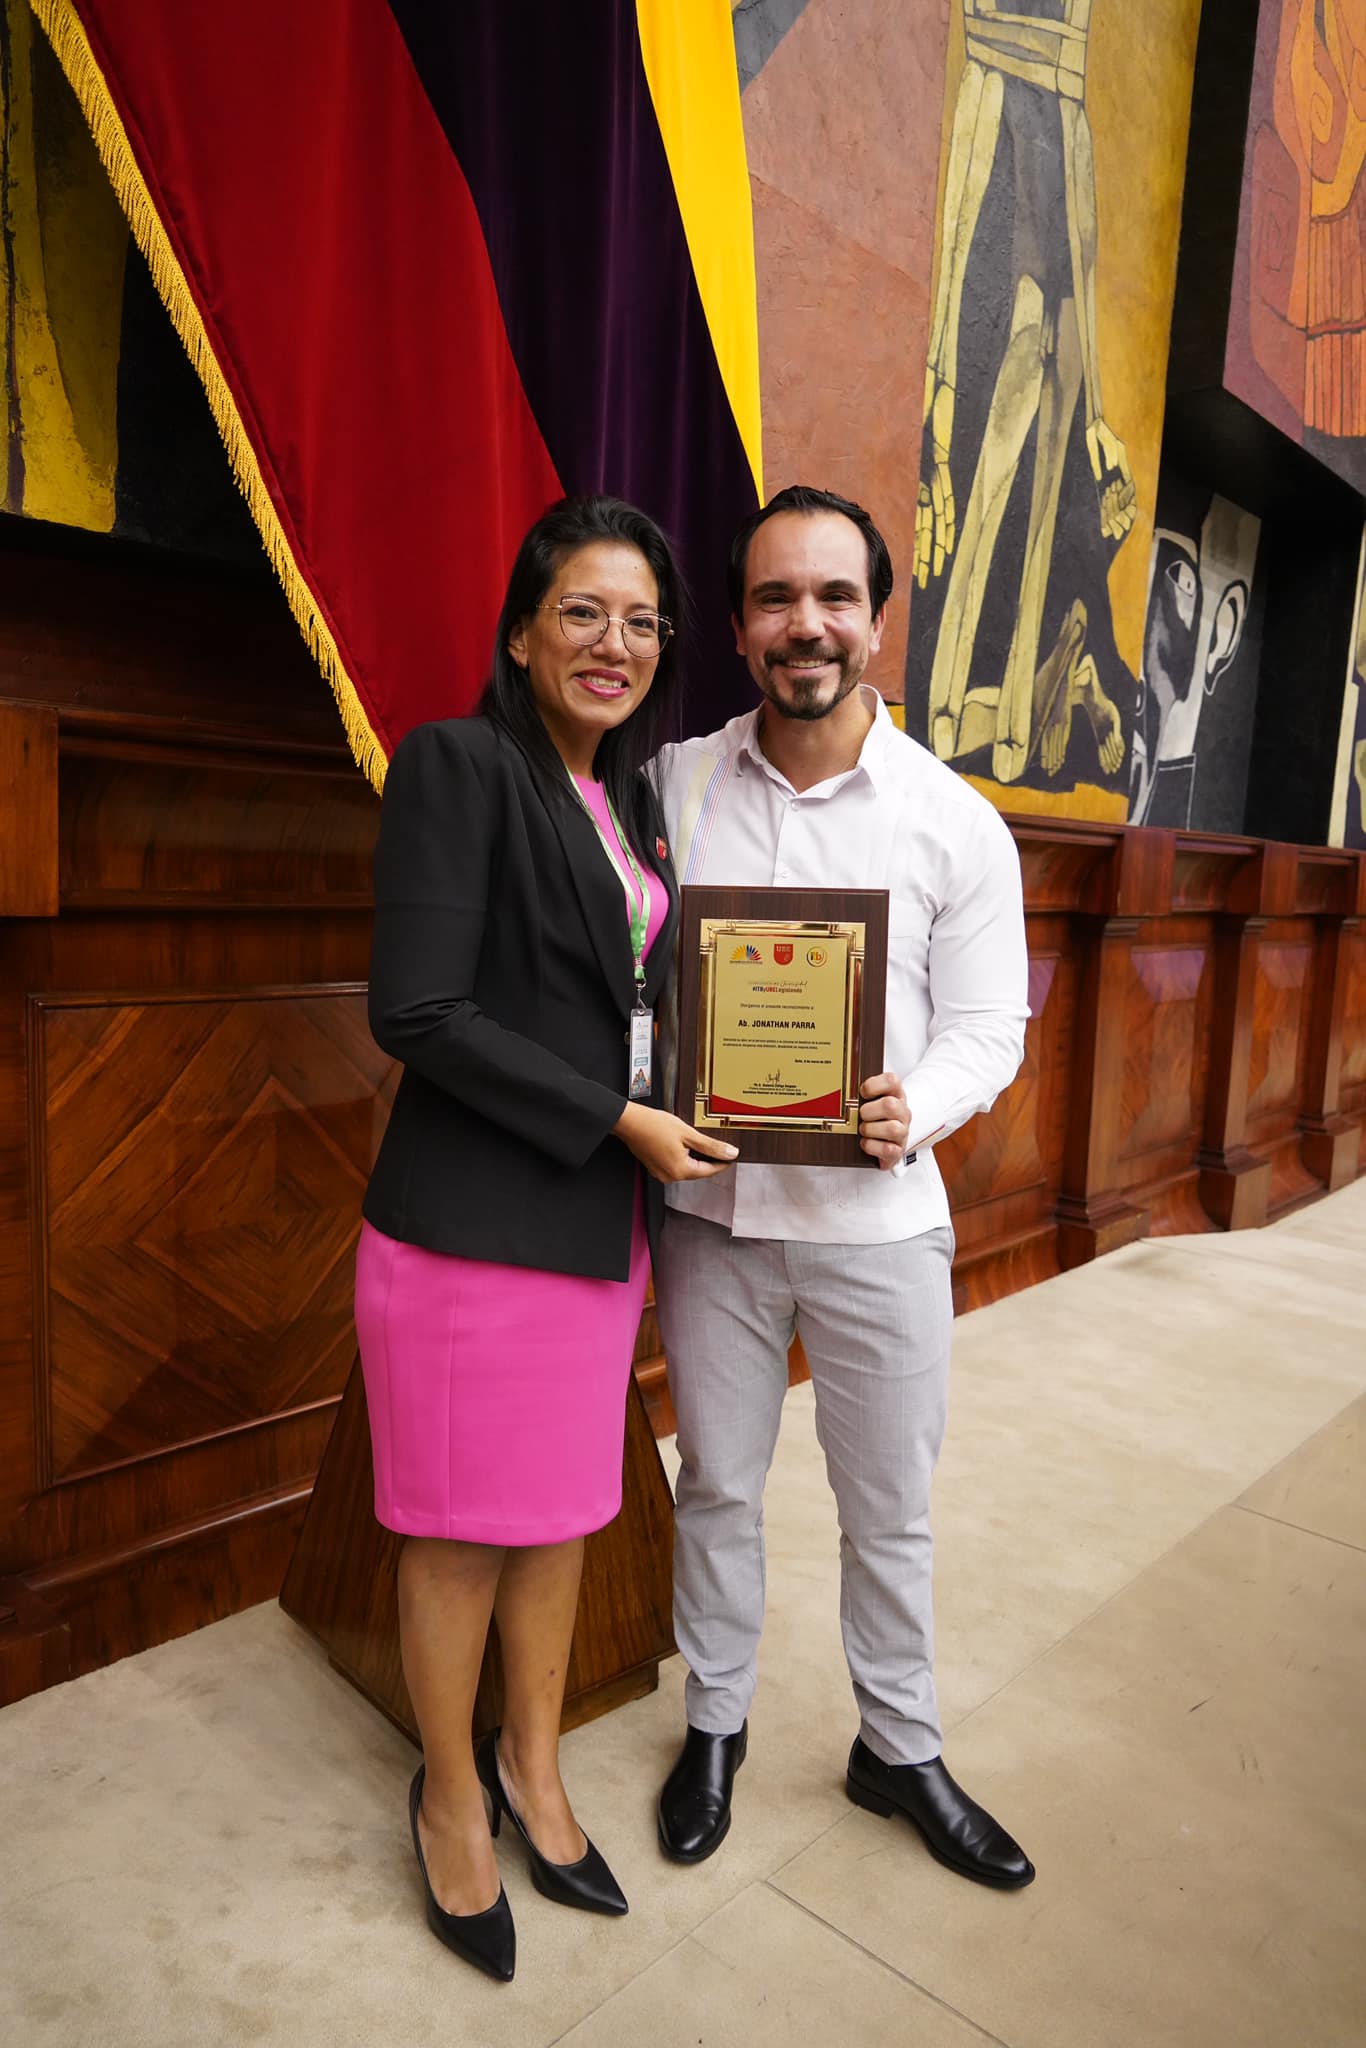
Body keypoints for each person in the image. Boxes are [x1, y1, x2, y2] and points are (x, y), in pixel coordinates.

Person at [357, 495, 738, 1981]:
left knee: (563, 1517)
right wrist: (622, 1121)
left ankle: (532, 1767)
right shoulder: (458, 765)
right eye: (582, 611)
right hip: (470, 1241)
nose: (614, 642)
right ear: (520, 632)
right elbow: (419, 1013)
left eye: (642, 620)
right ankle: (451, 1797)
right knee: (460, 1535)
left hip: (593, 1230)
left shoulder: (629, 800)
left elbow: (632, 1005)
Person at [650, 484, 1035, 1888]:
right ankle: (714, 1724)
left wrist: (908, 1106)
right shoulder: (674, 784)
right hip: (712, 1223)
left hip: (879, 1225)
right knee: (719, 1491)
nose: (801, 624)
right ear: (739, 625)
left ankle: (900, 1745)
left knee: (889, 1506)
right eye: (771, 598)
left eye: (830, 596)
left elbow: (990, 1027)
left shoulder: (952, 822)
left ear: (875, 618)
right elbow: (622, 970)